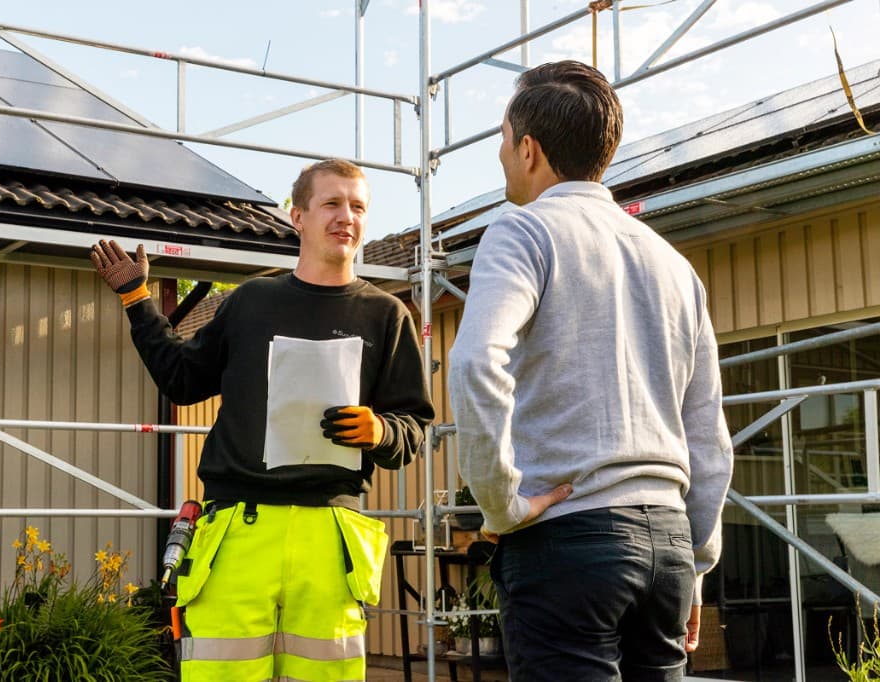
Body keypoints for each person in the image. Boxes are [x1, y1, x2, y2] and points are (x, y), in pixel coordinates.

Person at [90, 159, 434, 682]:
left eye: (358, 207)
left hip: (330, 536)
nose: (347, 217)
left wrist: (381, 431)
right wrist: (138, 300)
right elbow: (182, 380)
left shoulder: (386, 316)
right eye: (332, 203)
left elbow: (414, 426)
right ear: (297, 216)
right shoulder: (251, 302)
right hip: (237, 531)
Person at [447, 60, 733, 681]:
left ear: (528, 149)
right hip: (668, 547)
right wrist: (698, 563)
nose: (499, 155)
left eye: (502, 139)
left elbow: (473, 362)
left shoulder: (523, 231)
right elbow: (707, 432)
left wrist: (500, 504)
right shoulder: (671, 263)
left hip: (567, 542)